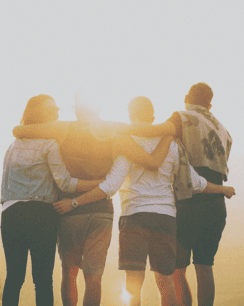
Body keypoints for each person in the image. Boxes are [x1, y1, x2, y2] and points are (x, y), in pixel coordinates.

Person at [53, 96, 235, 306]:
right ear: (153, 117)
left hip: (134, 218)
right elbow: (194, 182)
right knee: (166, 282)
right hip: (165, 219)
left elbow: (110, 186)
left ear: (130, 115)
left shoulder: (126, 144)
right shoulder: (173, 145)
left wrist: (75, 202)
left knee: (133, 285)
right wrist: (222, 189)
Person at [12, 96, 173, 306]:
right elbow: (151, 152)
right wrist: (171, 129)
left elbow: (19, 131)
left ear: (77, 109)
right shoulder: (114, 130)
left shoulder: (62, 128)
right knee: (94, 277)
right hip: (101, 212)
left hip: (69, 211)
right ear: (99, 107)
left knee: (69, 272)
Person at [121, 83, 233, 306]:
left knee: (176, 271)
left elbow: (153, 131)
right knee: (204, 266)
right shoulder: (223, 130)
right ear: (209, 105)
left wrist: (115, 129)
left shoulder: (181, 117)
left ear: (186, 98)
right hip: (215, 202)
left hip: (187, 202)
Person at [0, 94, 103, 306]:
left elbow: (5, 184)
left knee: (14, 278)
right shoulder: (50, 144)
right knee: (43, 280)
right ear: (40, 114)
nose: (57, 112)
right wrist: (98, 184)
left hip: (11, 214)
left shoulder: (13, 145)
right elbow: (65, 183)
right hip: (42, 214)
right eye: (52, 110)